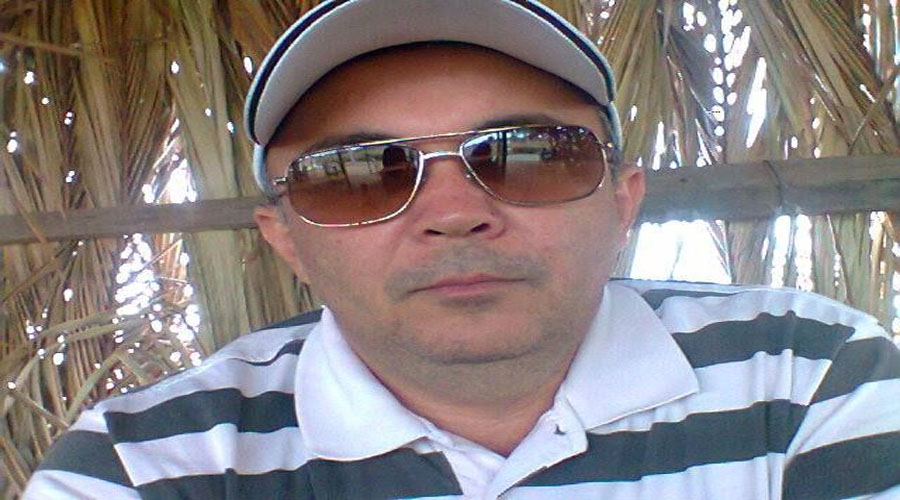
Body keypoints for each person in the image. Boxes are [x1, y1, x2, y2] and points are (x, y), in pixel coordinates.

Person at [24, 0, 900, 498]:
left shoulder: (808, 378)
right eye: (356, 173)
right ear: (285, 238)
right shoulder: (148, 466)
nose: (453, 213)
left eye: (528, 154)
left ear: (623, 202)